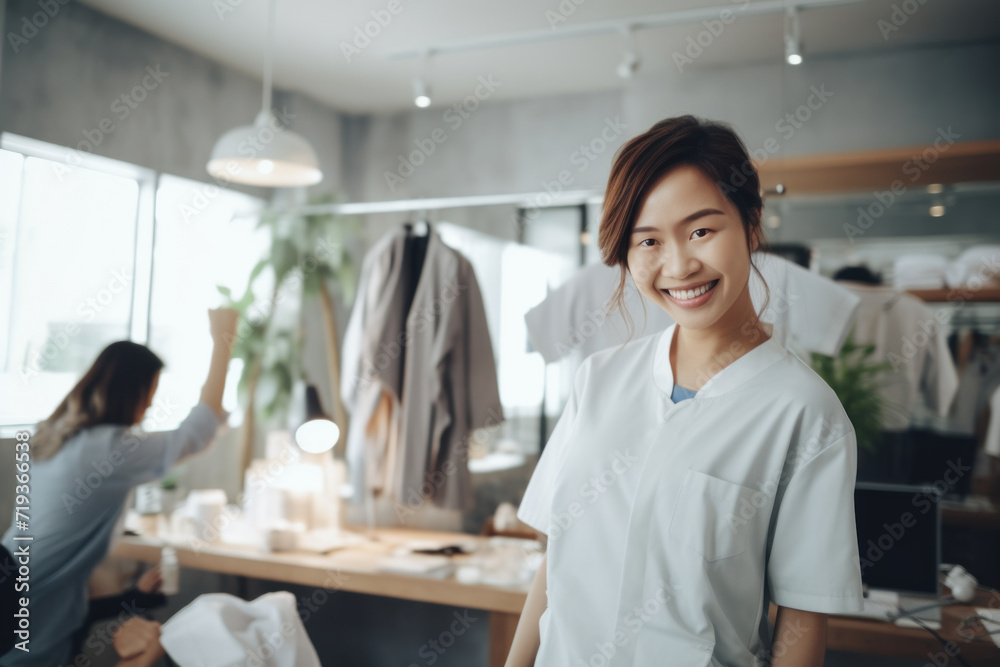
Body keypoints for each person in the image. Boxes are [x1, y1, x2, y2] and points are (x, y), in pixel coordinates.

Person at [505, 117, 864, 667]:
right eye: (647, 241)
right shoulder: (596, 381)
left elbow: (802, 618)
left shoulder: (806, 414)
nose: (678, 266)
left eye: (701, 231)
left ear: (751, 222)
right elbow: (556, 561)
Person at [0, 308, 238, 666]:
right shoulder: (108, 449)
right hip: (31, 637)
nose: (152, 403)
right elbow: (198, 431)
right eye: (151, 391)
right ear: (131, 391)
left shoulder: (54, 438)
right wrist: (223, 340)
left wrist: (133, 599)